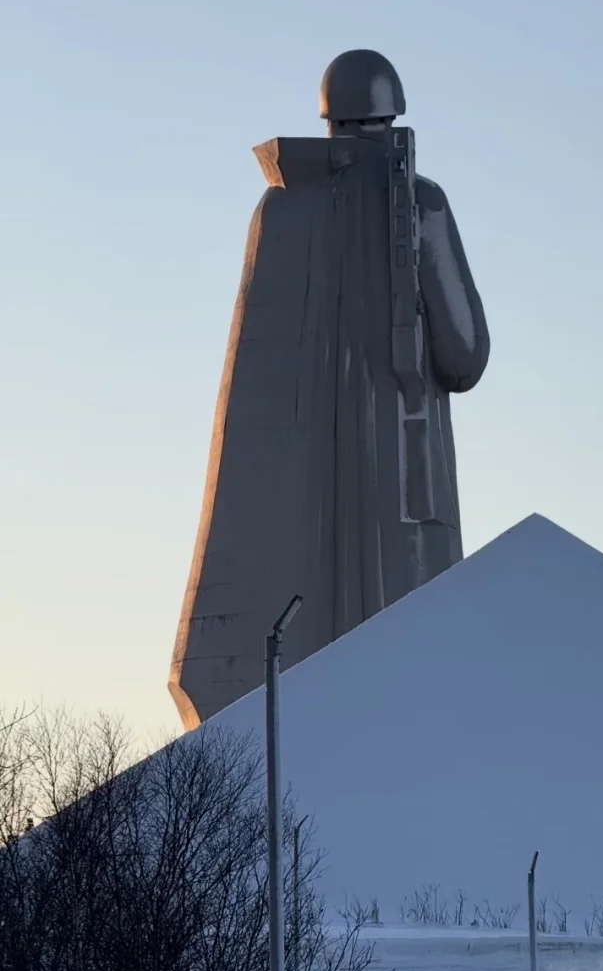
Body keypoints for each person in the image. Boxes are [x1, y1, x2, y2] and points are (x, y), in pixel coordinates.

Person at [170, 51, 490, 728]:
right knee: (415, 686)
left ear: (330, 118)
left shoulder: (280, 208)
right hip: (407, 484)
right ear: (391, 114)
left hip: (296, 518)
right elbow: (465, 356)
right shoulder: (420, 202)